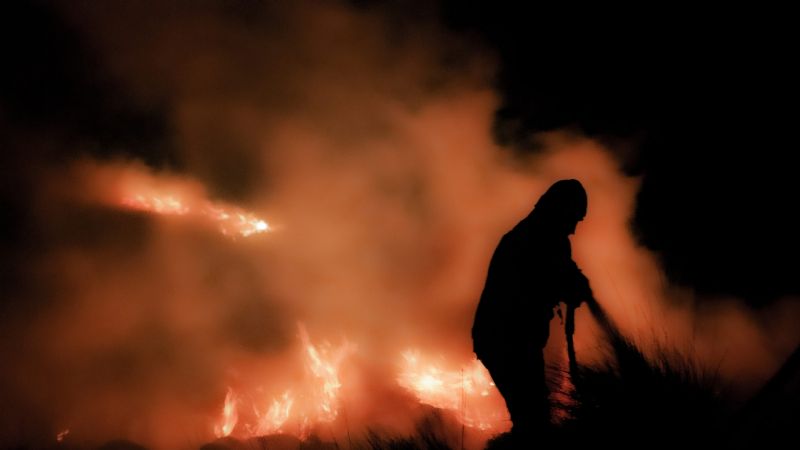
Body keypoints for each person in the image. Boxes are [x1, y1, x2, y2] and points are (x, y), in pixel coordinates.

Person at [472, 179, 594, 440]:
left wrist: (577, 281)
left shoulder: (548, 238)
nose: (574, 228)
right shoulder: (531, 239)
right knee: (533, 418)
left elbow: (564, 271)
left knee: (533, 414)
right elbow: (545, 279)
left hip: (515, 340)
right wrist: (571, 287)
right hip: (505, 340)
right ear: (559, 210)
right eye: (573, 218)